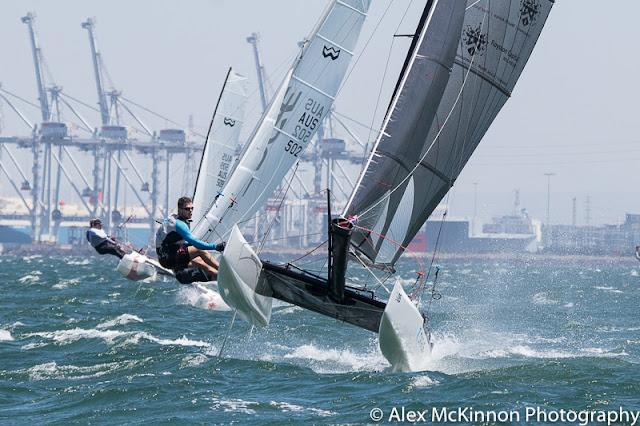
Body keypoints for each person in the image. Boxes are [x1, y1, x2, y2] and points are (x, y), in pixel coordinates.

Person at [156, 196, 225, 284]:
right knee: (199, 250)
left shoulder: (175, 219)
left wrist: (190, 244)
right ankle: (224, 271)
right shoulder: (179, 224)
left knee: (200, 262)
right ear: (179, 210)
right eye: (187, 209)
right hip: (167, 258)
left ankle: (221, 277)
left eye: (192, 208)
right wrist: (216, 247)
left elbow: (175, 242)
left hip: (168, 256)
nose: (191, 211)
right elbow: (195, 243)